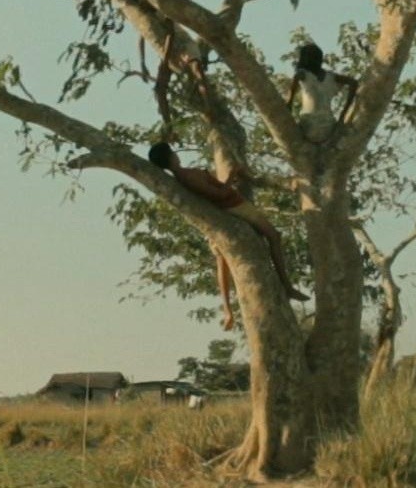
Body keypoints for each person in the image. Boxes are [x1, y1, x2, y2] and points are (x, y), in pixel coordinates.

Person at [147, 142, 310, 330]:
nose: (176, 154)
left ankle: (228, 311)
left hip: (228, 208)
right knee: (274, 236)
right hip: (235, 206)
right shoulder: (187, 176)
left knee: (223, 261)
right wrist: (232, 173)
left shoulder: (182, 176)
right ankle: (287, 286)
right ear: (170, 157)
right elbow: (220, 194)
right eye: (172, 153)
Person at [287, 42, 357, 144]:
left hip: (308, 126)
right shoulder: (331, 77)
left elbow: (296, 77)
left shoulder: (304, 74)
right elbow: (353, 82)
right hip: (328, 129)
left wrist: (289, 102)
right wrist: (344, 113)